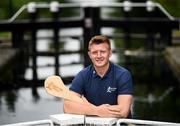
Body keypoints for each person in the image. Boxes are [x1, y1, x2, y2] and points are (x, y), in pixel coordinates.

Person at [63, 35, 133, 118]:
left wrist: (86, 109)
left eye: (103, 52)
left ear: (110, 53)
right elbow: (67, 106)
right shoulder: (82, 75)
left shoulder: (123, 75)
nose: (99, 56)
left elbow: (123, 111)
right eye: (94, 52)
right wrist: (97, 110)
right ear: (89, 54)